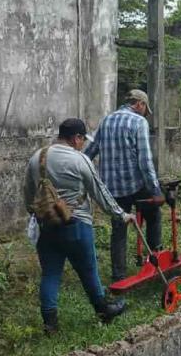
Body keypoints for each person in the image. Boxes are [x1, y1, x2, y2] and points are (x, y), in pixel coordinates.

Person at [25, 119, 133, 334]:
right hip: (77, 225)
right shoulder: (80, 160)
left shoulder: (37, 158)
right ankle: (103, 310)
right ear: (76, 138)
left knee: (50, 274)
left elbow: (29, 193)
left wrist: (37, 215)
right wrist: (121, 215)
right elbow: (100, 192)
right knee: (88, 270)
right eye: (82, 140)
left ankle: (50, 323)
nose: (83, 144)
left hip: (47, 226)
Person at [85, 89, 164, 282]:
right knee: (154, 214)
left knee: (118, 229)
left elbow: (90, 153)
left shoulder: (107, 120)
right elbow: (145, 161)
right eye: (145, 109)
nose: (145, 113)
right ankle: (155, 260)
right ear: (140, 104)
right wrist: (155, 190)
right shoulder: (139, 122)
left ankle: (118, 275)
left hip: (112, 189)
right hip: (135, 185)